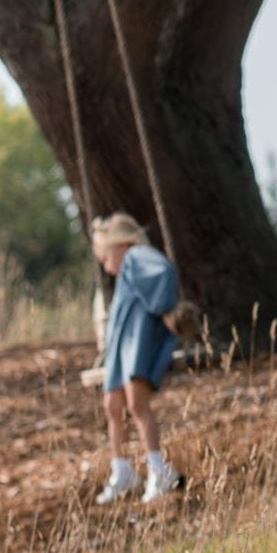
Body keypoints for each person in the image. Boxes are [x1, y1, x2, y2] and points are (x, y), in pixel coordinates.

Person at [90, 213, 184, 503]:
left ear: (119, 245)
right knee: (113, 406)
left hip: (139, 343)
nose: (107, 267)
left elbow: (163, 273)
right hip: (123, 347)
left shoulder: (135, 257)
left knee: (136, 404)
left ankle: (158, 469)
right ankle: (122, 470)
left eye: (106, 258)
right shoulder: (126, 270)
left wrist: (165, 307)